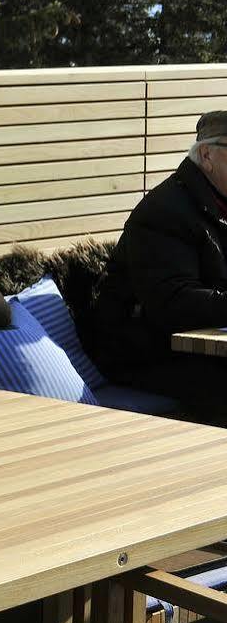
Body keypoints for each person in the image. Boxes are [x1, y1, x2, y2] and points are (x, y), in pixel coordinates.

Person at [92, 111, 227, 407]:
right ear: (207, 155)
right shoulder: (165, 212)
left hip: (198, 349)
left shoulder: (218, 202)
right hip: (143, 354)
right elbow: (174, 304)